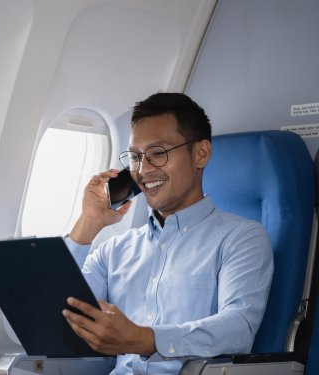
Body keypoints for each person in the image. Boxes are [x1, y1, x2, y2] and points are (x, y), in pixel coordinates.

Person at [61, 93, 274, 374]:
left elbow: (237, 330)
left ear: (200, 154)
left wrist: (143, 339)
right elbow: (51, 319)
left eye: (158, 153)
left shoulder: (241, 238)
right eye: (135, 157)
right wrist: (88, 223)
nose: (144, 170)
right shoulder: (112, 251)